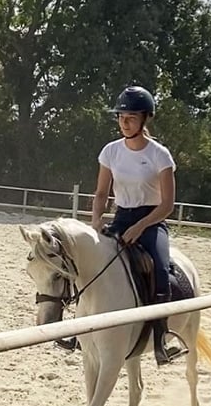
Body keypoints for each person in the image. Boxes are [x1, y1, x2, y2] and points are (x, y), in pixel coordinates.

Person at [58, 85, 187, 365]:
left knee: (161, 270)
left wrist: (141, 227)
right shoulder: (111, 152)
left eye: (130, 117)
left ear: (145, 119)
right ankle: (80, 333)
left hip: (152, 222)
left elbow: (167, 205)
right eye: (120, 117)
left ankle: (161, 339)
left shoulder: (159, 155)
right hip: (120, 217)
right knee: (89, 266)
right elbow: (102, 192)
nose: (124, 122)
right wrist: (95, 221)